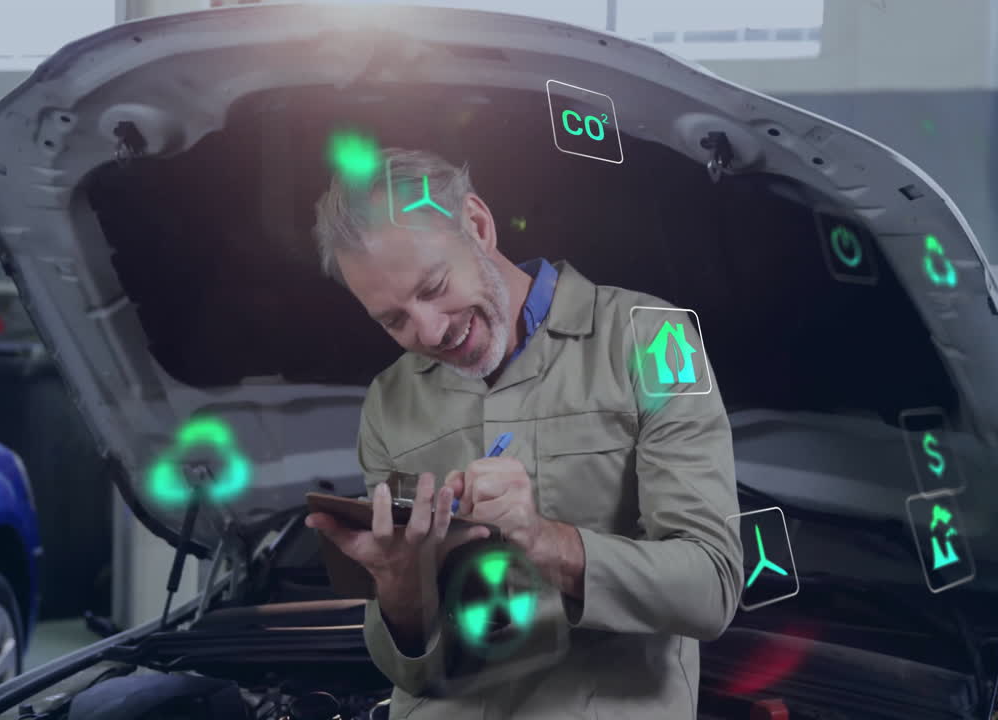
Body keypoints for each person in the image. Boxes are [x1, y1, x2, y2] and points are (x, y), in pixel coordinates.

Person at [304, 148, 743, 719]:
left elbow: (711, 587)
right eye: (394, 320)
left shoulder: (652, 341)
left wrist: (545, 541)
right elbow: (411, 672)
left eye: (433, 286)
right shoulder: (389, 401)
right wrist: (398, 591)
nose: (430, 330)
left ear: (478, 224)